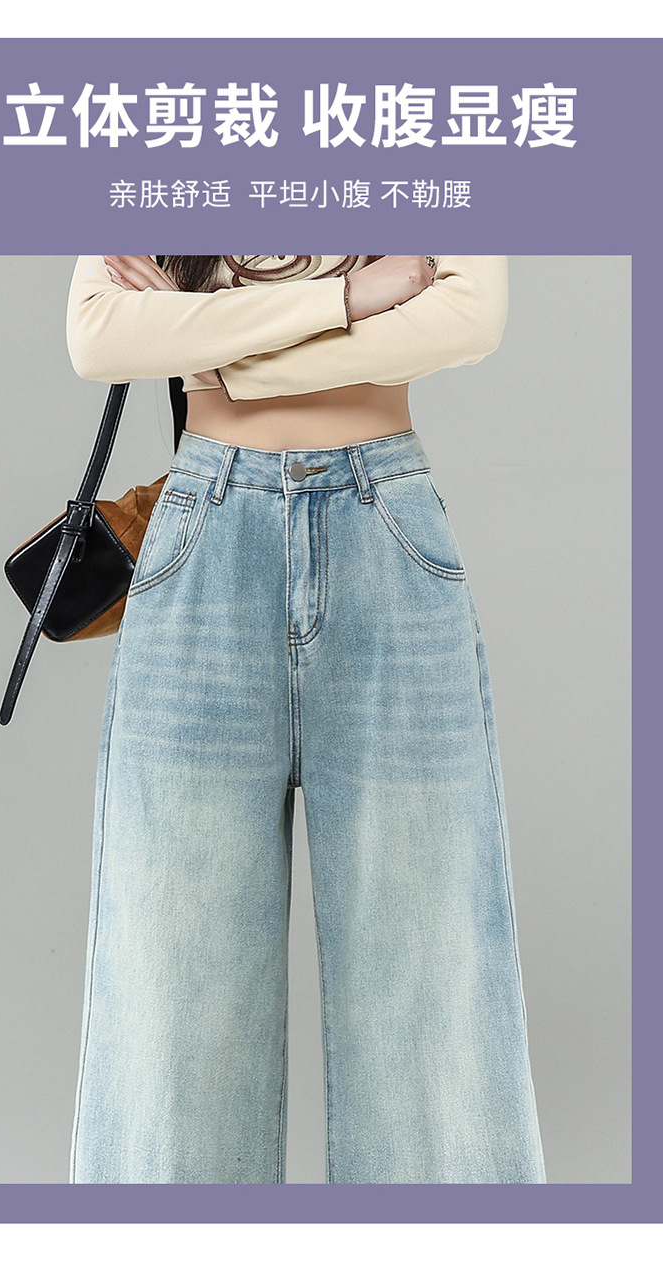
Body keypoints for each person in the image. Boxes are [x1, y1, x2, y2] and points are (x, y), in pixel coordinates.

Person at [64, 253, 546, 1184]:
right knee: (169, 980)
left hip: (383, 524)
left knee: (434, 971)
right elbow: (98, 335)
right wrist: (347, 300)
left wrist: (220, 356)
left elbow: (471, 317)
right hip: (206, 528)